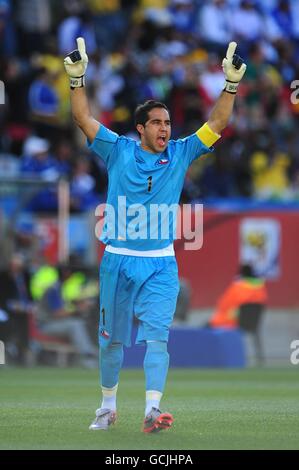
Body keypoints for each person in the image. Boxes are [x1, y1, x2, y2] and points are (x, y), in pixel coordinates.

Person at [64, 37, 246, 432]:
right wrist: (77, 79)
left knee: (157, 339)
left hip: (162, 263)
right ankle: (107, 407)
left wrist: (229, 86)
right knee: (111, 340)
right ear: (140, 129)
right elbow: (82, 119)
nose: (165, 129)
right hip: (118, 258)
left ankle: (152, 410)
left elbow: (217, 123)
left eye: (167, 123)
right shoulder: (117, 150)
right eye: (158, 123)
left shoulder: (180, 152)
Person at [207, 264, 268, 329]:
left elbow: (223, 304)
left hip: (234, 321)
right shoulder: (260, 288)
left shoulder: (237, 287)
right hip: (253, 322)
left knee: (208, 325)